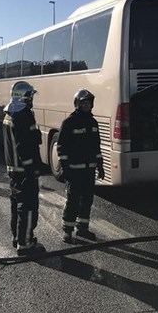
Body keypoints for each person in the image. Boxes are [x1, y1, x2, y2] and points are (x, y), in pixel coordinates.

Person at [2, 81, 44, 256]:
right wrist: (31, 169)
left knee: (16, 205)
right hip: (23, 171)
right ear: (24, 97)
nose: (32, 99)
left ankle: (18, 237)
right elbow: (24, 146)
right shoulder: (22, 115)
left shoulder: (10, 113)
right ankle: (25, 244)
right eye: (30, 96)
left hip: (14, 170)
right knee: (27, 206)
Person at [57, 89, 105, 244]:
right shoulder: (69, 122)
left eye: (89, 103)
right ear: (77, 104)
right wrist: (65, 168)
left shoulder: (93, 122)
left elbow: (96, 146)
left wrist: (100, 165)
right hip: (74, 170)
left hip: (89, 170)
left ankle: (83, 229)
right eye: (84, 103)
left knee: (87, 200)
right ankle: (67, 231)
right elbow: (62, 147)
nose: (87, 105)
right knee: (73, 200)